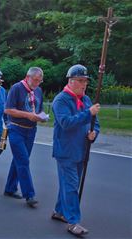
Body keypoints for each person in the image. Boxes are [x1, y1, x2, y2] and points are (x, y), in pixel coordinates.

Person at [51, 64, 100, 236]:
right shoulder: (61, 100)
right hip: (66, 151)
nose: (84, 84)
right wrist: (88, 114)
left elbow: (96, 123)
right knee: (71, 186)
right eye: (80, 81)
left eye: (85, 81)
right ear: (71, 82)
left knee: (69, 184)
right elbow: (66, 123)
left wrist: (94, 133)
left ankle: (59, 211)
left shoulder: (86, 100)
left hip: (81, 150)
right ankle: (73, 221)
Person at [3, 67, 46, 207]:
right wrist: (28, 115)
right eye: (35, 80)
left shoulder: (38, 90)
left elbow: (39, 109)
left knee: (19, 160)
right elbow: (8, 109)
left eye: (40, 81)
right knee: (23, 161)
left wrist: (41, 116)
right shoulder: (16, 88)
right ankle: (29, 195)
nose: (37, 83)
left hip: (31, 130)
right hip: (16, 128)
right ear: (27, 76)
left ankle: (10, 188)